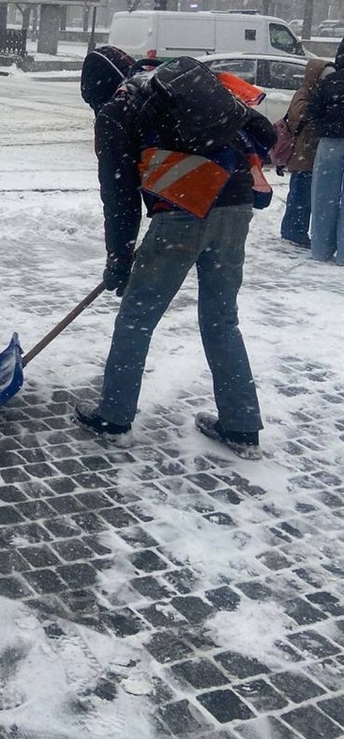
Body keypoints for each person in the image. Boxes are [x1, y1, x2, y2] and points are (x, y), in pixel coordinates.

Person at [77, 46, 277, 459]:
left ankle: (113, 418)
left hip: (186, 207)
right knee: (221, 319)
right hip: (236, 200)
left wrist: (119, 257)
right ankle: (241, 426)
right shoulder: (167, 86)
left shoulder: (117, 111)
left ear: (98, 90)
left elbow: (120, 195)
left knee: (137, 317)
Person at [279, 59, 334, 249]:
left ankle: (295, 230)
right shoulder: (304, 93)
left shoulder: (312, 93)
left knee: (303, 195)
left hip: (310, 153)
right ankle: (293, 231)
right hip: (303, 153)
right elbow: (299, 115)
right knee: (300, 195)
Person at [308, 37, 344, 265]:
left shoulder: (330, 81)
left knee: (323, 196)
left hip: (330, 142)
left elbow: (312, 110)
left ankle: (320, 248)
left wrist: (326, 126)